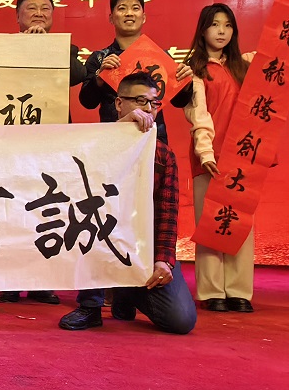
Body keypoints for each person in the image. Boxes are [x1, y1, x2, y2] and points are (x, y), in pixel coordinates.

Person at [58, 72, 197, 334]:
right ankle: (90, 305)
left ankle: (127, 290)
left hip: (142, 247)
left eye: (154, 103)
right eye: (140, 101)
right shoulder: (96, 143)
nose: (148, 109)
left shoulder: (163, 154)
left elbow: (167, 213)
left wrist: (164, 261)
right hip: (101, 237)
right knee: (89, 225)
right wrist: (120, 130)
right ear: (119, 104)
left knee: (180, 320)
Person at [0, 0, 86, 304]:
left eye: (45, 8)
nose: (38, 13)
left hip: (52, 143)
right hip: (15, 143)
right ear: (17, 16)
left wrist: (47, 48)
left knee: (49, 210)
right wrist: (26, 48)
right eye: (31, 8)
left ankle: (42, 282)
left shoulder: (65, 47)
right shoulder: (4, 48)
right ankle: (10, 280)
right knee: (13, 209)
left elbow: (80, 75)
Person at [182, 4, 256, 313]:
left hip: (243, 157)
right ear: (202, 30)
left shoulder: (244, 65)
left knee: (241, 223)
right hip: (210, 157)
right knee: (211, 222)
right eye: (215, 25)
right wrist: (205, 152)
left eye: (228, 25)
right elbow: (198, 115)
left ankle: (239, 290)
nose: (222, 31)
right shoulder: (194, 70)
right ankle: (212, 290)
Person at [79, 0, 192, 143]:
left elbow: (179, 101)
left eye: (135, 8)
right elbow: (87, 102)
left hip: (153, 138)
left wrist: (185, 84)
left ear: (143, 17)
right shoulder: (99, 58)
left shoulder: (160, 57)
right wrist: (99, 78)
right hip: (114, 139)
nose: (129, 13)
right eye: (122, 8)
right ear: (111, 18)